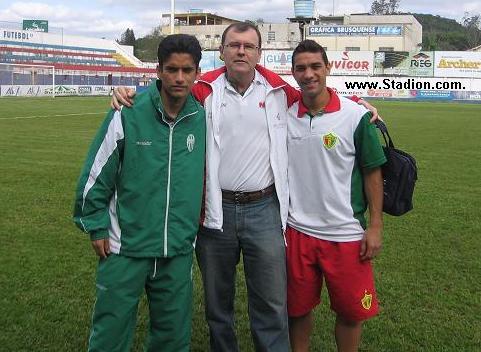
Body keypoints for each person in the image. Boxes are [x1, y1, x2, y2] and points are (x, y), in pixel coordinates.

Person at [111, 22, 381, 352]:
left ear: (259, 53)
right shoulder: (204, 89)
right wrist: (130, 93)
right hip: (215, 212)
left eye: (249, 46)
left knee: (270, 303)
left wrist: (358, 102)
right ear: (221, 52)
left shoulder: (278, 89)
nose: (241, 51)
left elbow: (317, 96)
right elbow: (167, 90)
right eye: (234, 45)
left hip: (264, 210)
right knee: (217, 305)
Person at [72, 34, 205, 352]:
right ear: (158, 71)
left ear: (197, 72)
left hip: (177, 248)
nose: (179, 77)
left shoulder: (202, 117)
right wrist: (96, 223)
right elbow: (96, 172)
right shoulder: (127, 111)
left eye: (187, 70)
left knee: (172, 339)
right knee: (110, 335)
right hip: (125, 246)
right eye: (172, 69)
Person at [286, 40, 386, 352]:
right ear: (293, 73)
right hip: (297, 231)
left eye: (316, 66)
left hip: (345, 234)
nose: (309, 74)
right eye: (301, 68)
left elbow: (372, 172)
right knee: (298, 310)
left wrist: (375, 226)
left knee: (350, 313)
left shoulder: (355, 116)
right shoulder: (283, 115)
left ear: (328, 68)